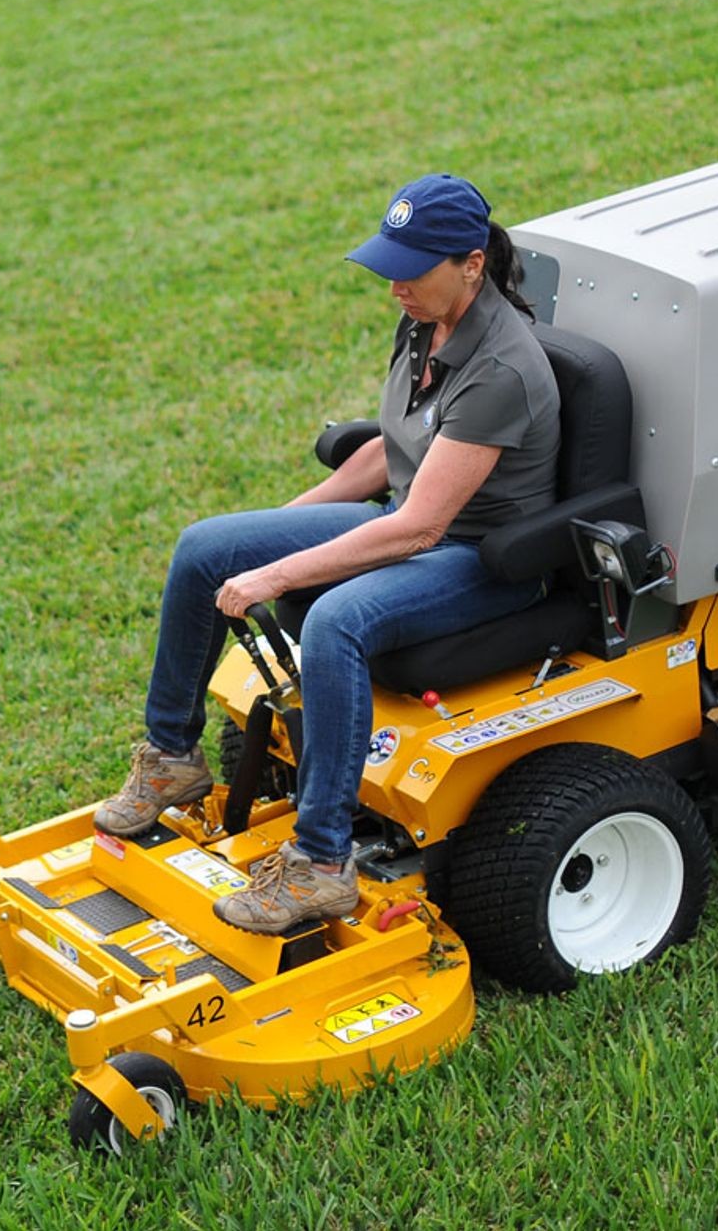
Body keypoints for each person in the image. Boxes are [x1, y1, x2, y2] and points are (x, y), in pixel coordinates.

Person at [96, 174, 561, 934]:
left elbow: (419, 527)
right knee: (205, 546)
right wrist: (266, 533)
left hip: (482, 559)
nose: (393, 288)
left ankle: (320, 868)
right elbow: (390, 451)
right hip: (409, 515)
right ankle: (171, 757)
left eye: (410, 270)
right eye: (390, 269)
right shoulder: (426, 322)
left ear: (471, 264)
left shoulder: (502, 368)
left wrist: (276, 574)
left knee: (336, 621)